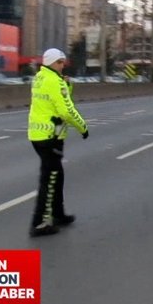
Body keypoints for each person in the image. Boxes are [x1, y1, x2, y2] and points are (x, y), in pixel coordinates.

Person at [27, 48, 89, 237]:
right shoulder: (55, 81)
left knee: (57, 175)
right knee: (50, 179)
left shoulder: (39, 77)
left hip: (37, 134)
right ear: (53, 62)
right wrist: (82, 127)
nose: (63, 65)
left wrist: (67, 86)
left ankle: (58, 214)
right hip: (51, 136)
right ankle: (39, 223)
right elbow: (66, 110)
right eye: (61, 62)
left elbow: (55, 100)